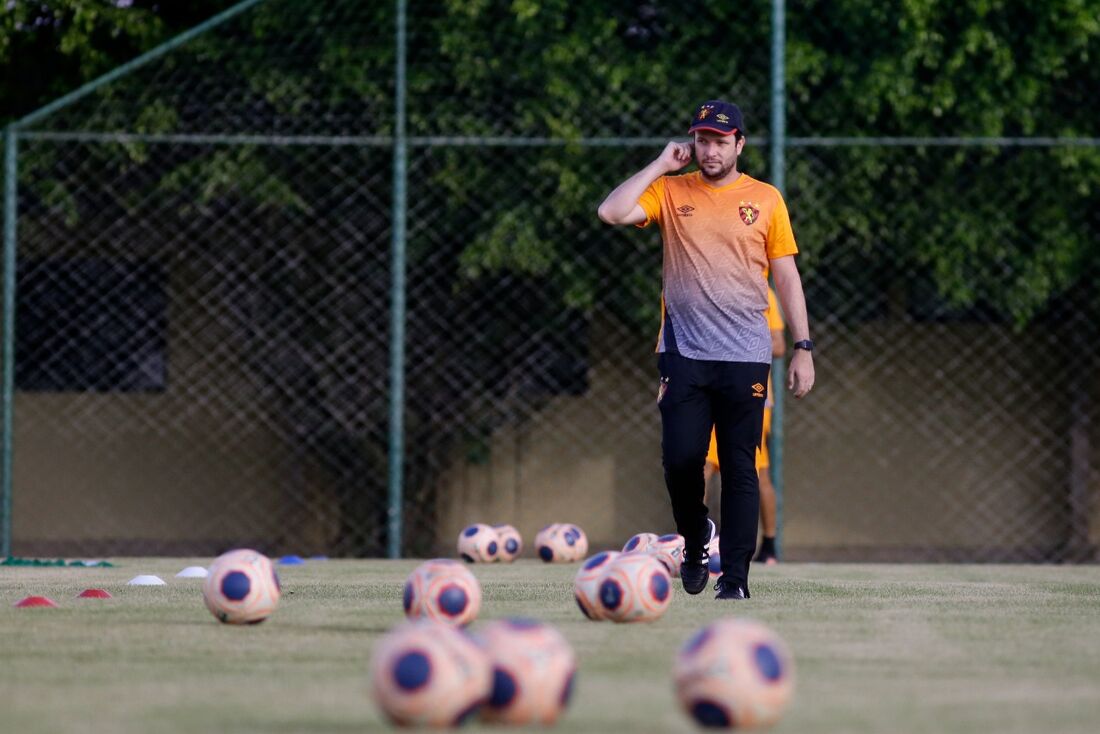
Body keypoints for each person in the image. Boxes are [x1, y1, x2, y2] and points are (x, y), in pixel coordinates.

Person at [597, 99, 814, 600]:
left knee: (740, 467)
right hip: (684, 354)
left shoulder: (766, 199)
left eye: (720, 141)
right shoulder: (671, 191)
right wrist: (659, 164)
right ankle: (696, 539)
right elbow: (610, 212)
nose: (709, 150)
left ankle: (735, 579)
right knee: (680, 460)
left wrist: (803, 346)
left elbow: (786, 275)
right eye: (702, 140)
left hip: (746, 356)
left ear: (739, 144)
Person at [704, 286, 786, 564]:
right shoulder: (704, 285)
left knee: (753, 470)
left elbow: (779, 345)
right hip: (710, 390)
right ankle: (696, 540)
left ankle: (769, 546)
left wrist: (737, 339)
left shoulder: (763, 292)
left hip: (752, 395)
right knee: (702, 466)